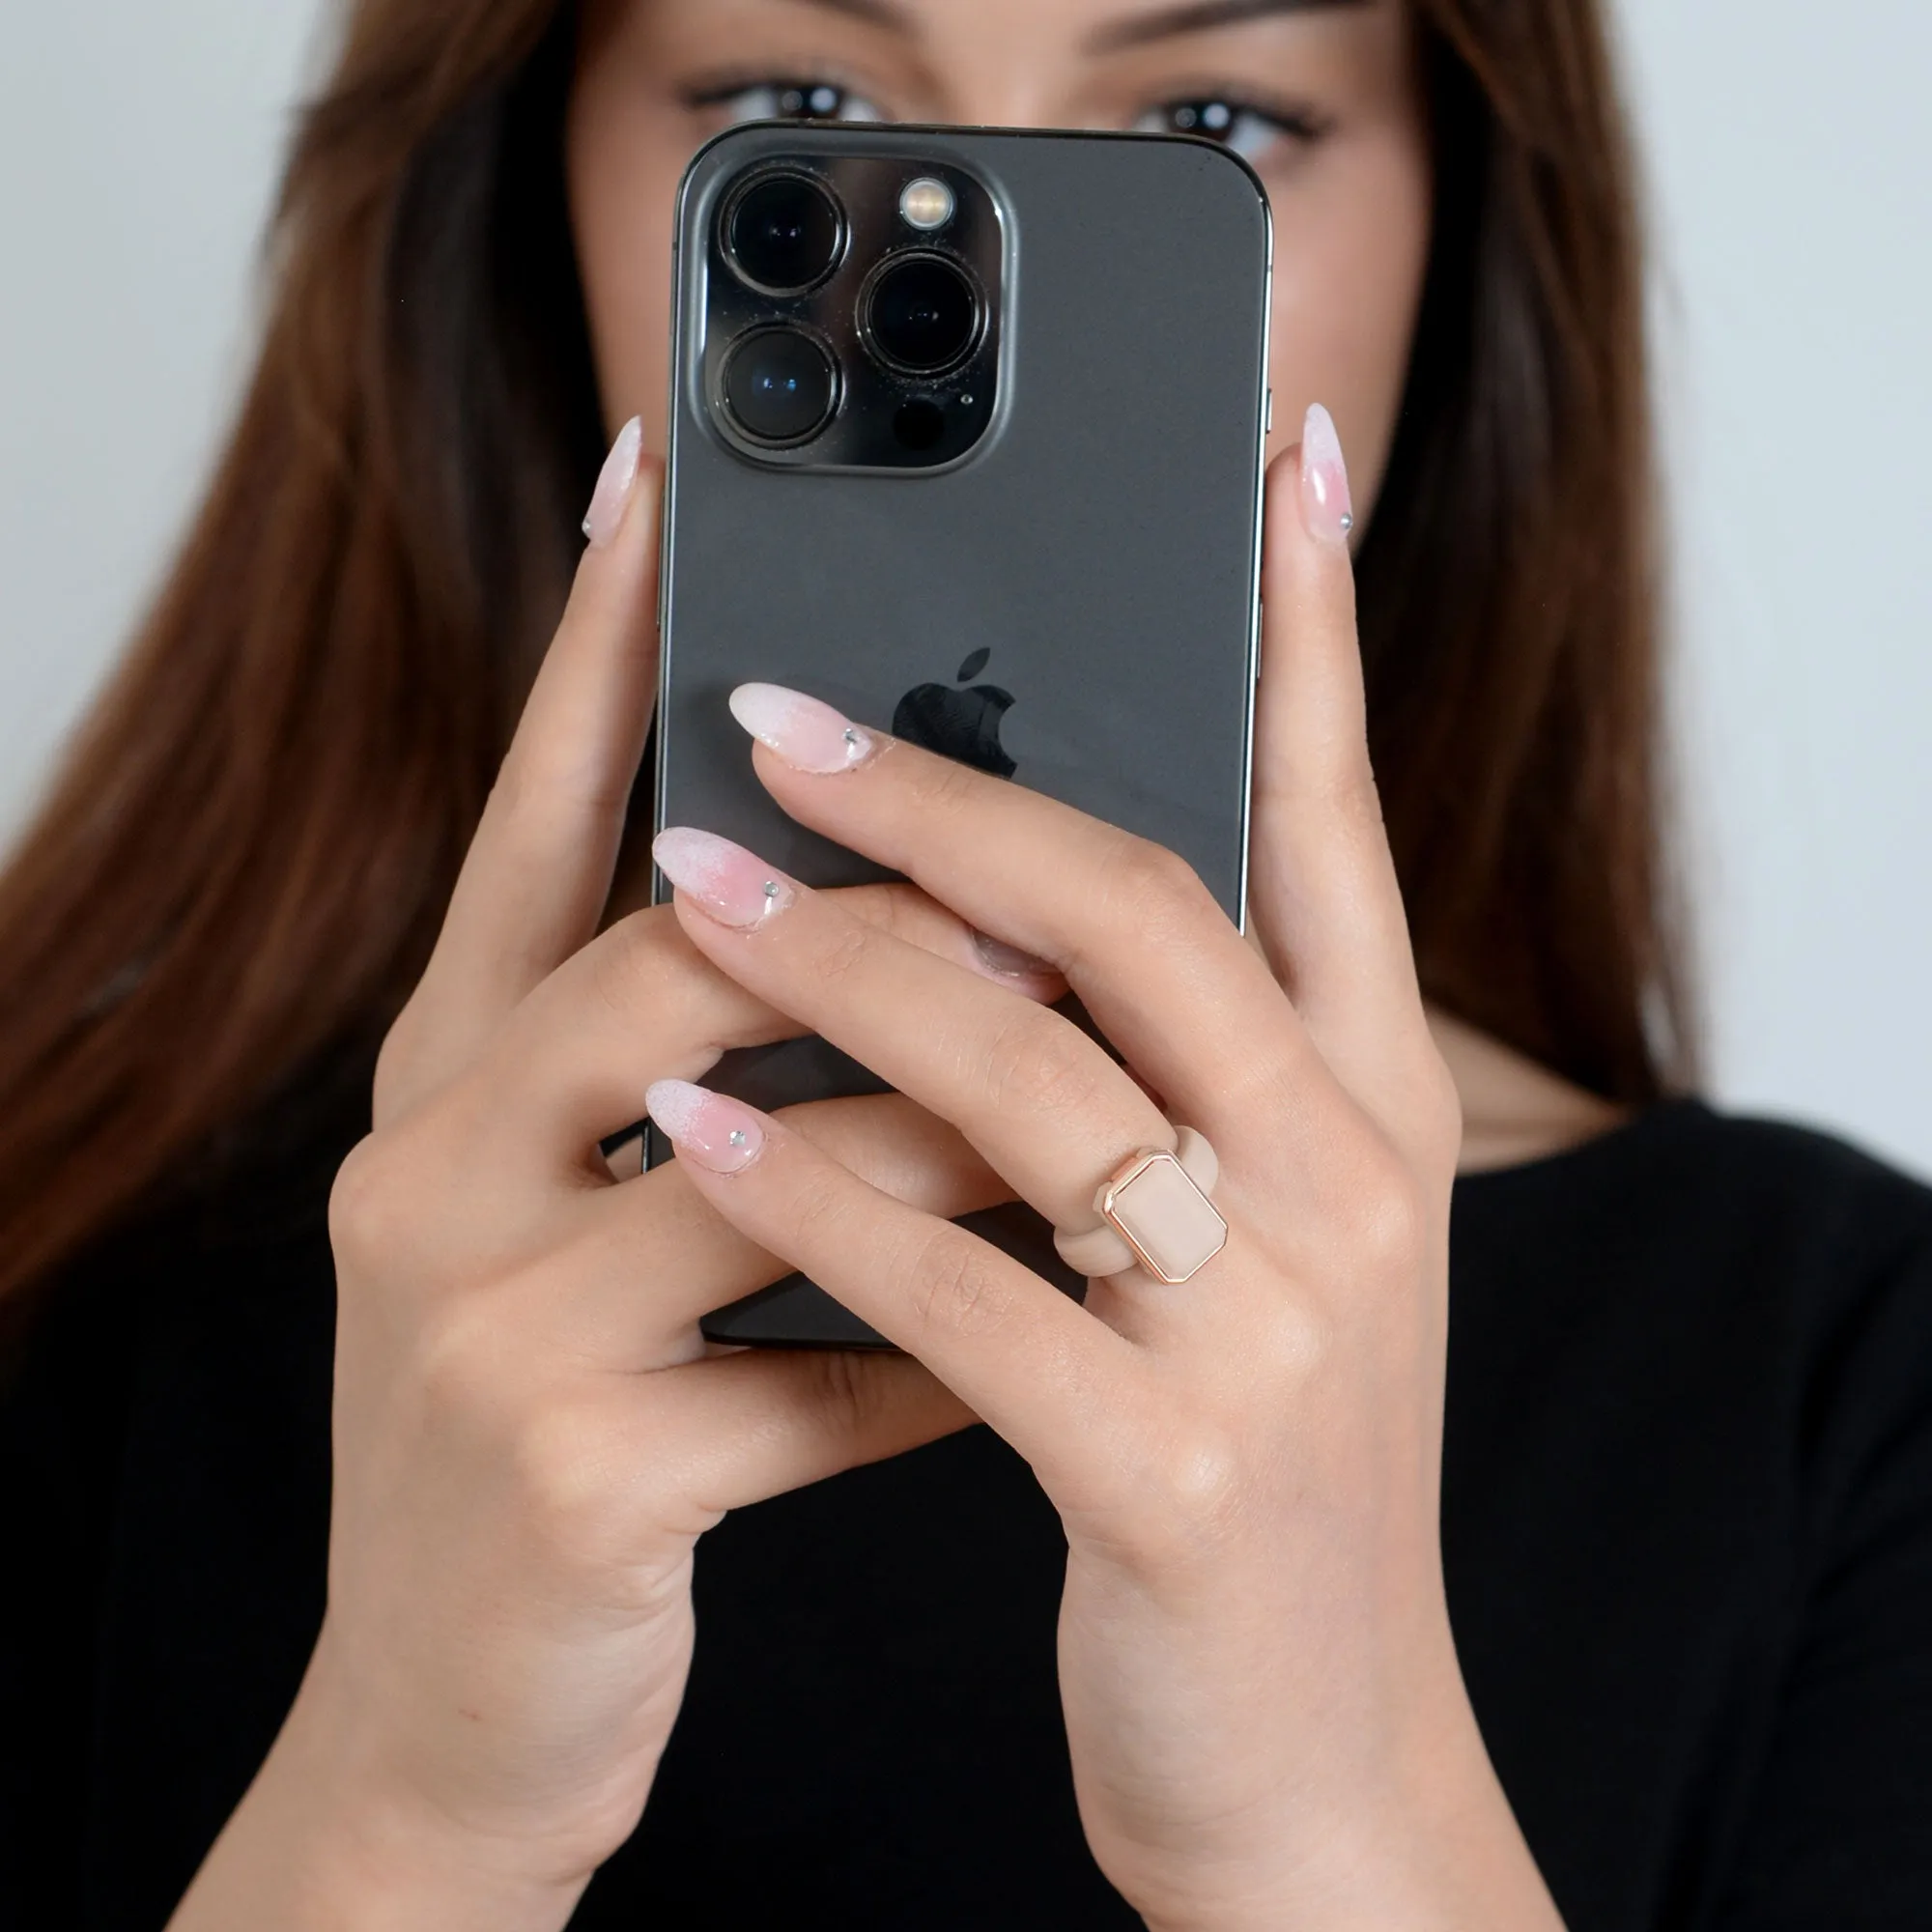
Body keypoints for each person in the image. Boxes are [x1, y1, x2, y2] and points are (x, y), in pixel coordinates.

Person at [1, 0, 1927, 1925]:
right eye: (798, 103)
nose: (985, 260)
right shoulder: (72, 1263)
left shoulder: (1843, 1381)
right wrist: (402, 1807)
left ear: (1468, 230)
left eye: (1206, 112)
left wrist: (1332, 1821)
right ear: (517, 191)